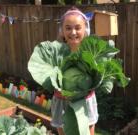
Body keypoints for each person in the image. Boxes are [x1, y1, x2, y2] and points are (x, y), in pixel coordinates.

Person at [51, 7, 99, 135]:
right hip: (62, 99)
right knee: (63, 129)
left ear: (86, 30)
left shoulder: (91, 51)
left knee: (88, 129)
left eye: (78, 27)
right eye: (68, 28)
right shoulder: (56, 52)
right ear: (62, 31)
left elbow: (98, 73)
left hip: (85, 99)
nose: (73, 32)